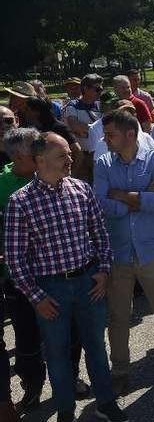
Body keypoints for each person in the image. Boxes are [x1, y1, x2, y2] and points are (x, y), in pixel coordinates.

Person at [5, 132, 127, 422]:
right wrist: (37, 298)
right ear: (40, 160)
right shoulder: (20, 202)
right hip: (50, 290)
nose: (70, 159)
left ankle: (105, 402)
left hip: (88, 283)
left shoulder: (81, 190)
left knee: (96, 345)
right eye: (63, 155)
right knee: (57, 353)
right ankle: (65, 409)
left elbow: (100, 234)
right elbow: (14, 259)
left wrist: (103, 270)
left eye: (69, 154)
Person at [93, 110, 154, 393]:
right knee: (119, 316)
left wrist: (119, 194)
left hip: (152, 251)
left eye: (110, 134)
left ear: (130, 135)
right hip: (118, 254)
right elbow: (101, 203)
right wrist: (139, 196)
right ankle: (120, 369)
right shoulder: (102, 163)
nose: (105, 139)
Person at [0, 128, 46, 419]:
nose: (43, 151)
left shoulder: (47, 172)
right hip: (17, 275)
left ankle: (69, 376)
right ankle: (32, 384)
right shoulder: (2, 183)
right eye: (36, 148)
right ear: (19, 156)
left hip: (52, 269)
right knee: (27, 335)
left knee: (64, 331)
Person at [89, 95, 154, 161]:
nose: (128, 117)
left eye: (131, 113)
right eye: (123, 114)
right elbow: (98, 168)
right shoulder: (103, 144)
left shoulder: (147, 138)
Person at [62, 73, 102, 181]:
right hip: (81, 156)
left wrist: (89, 129)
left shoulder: (100, 106)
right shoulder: (73, 105)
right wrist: (98, 128)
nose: (100, 91)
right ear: (85, 88)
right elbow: (75, 126)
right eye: (97, 89)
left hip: (97, 155)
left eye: (101, 88)